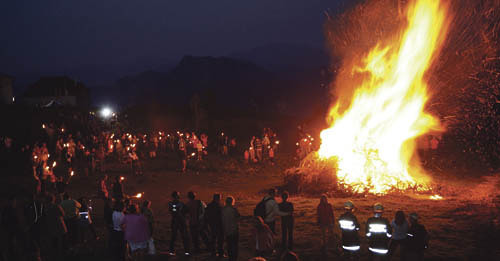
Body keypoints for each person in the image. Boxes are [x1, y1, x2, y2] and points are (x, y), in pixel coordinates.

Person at [42, 193, 67, 261]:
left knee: (54, 240)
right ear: (53, 199)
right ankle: (64, 254)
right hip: (59, 224)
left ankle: (54, 254)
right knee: (63, 239)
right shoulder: (56, 206)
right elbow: (63, 214)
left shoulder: (44, 207)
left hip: (50, 224)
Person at [168, 191, 190, 256]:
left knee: (175, 237)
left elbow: (173, 211)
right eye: (177, 195)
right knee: (183, 237)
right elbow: (177, 211)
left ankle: (172, 251)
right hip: (179, 221)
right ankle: (186, 251)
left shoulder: (172, 204)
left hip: (176, 221)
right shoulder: (179, 204)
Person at [205, 193, 224, 257]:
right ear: (218, 198)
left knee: (213, 239)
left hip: (212, 225)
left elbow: (206, 215)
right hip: (218, 225)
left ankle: (213, 253)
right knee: (220, 240)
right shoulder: (219, 206)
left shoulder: (209, 206)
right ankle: (220, 253)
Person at [222, 196, 240, 261]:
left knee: (229, 245)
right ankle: (234, 258)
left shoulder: (223, 210)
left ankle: (230, 258)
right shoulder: (234, 209)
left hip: (227, 230)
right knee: (235, 245)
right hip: (234, 230)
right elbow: (238, 217)